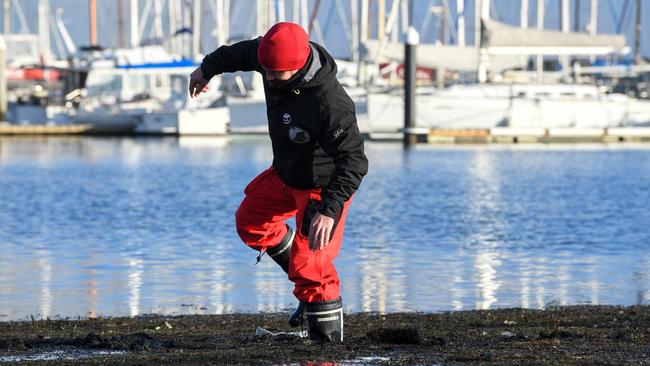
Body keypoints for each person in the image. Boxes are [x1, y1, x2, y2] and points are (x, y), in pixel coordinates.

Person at [189, 22, 368, 343]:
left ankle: (325, 347)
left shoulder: (329, 103)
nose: (269, 79)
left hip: (322, 187)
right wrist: (206, 70)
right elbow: (236, 55)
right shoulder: (268, 57)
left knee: (312, 265)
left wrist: (330, 209)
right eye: (266, 71)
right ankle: (307, 294)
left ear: (298, 66)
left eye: (277, 74)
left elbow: (354, 161)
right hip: (285, 174)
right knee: (251, 222)